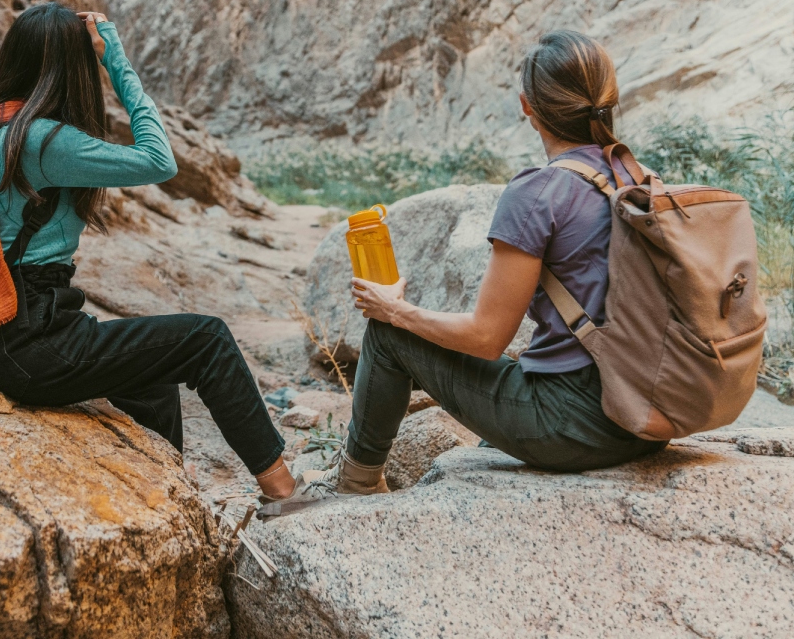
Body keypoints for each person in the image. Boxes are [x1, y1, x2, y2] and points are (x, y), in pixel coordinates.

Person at [262, 30, 666, 517]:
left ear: (526, 105)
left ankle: (355, 483)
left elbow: (486, 338)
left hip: (577, 426)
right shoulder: (634, 178)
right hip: (645, 417)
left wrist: (395, 309)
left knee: (390, 335)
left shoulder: (539, 192)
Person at [0, 3, 295, 501]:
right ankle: (284, 492)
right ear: (73, 69)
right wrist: (116, 61)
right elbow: (159, 160)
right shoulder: (44, 140)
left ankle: (167, 485)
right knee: (206, 339)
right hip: (28, 344)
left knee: (150, 375)